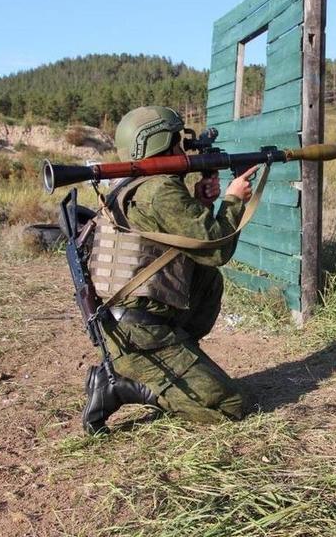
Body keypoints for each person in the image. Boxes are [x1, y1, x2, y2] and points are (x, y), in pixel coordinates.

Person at [81, 105, 257, 434]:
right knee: (230, 406)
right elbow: (216, 248)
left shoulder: (130, 185)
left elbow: (182, 246)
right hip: (140, 332)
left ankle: (177, 361)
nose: (183, 147)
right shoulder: (158, 190)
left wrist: (202, 204)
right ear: (161, 143)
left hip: (126, 324)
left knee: (206, 278)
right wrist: (234, 200)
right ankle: (121, 386)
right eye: (177, 140)